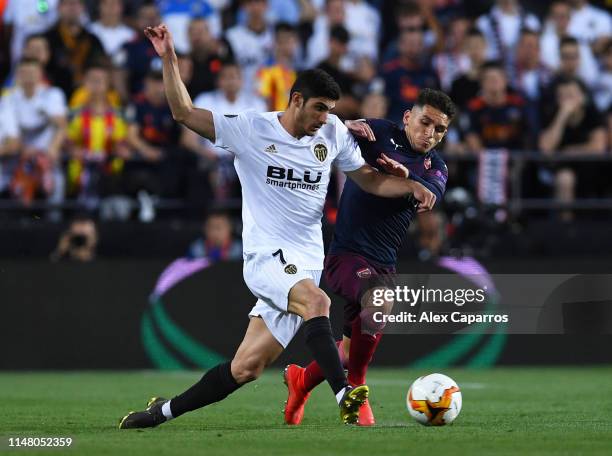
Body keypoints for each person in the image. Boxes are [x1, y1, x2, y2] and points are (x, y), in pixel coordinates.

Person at [118, 24, 436, 429]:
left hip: (305, 262)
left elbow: (370, 180)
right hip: (265, 257)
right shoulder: (251, 129)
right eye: (319, 108)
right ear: (296, 99)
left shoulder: (333, 133)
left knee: (246, 367)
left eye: (331, 110)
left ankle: (160, 412)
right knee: (318, 304)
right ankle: (346, 395)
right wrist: (169, 58)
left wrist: (411, 185)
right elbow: (183, 113)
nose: (325, 118)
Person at [283, 88, 454, 426]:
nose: (430, 134)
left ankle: (301, 381)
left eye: (439, 130)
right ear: (407, 117)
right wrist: (344, 124)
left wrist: (408, 178)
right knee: (379, 299)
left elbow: (429, 197)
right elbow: (328, 132)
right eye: (425, 122)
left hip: (383, 262)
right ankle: (357, 386)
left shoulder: (436, 166)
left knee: (349, 349)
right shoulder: (376, 134)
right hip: (345, 253)